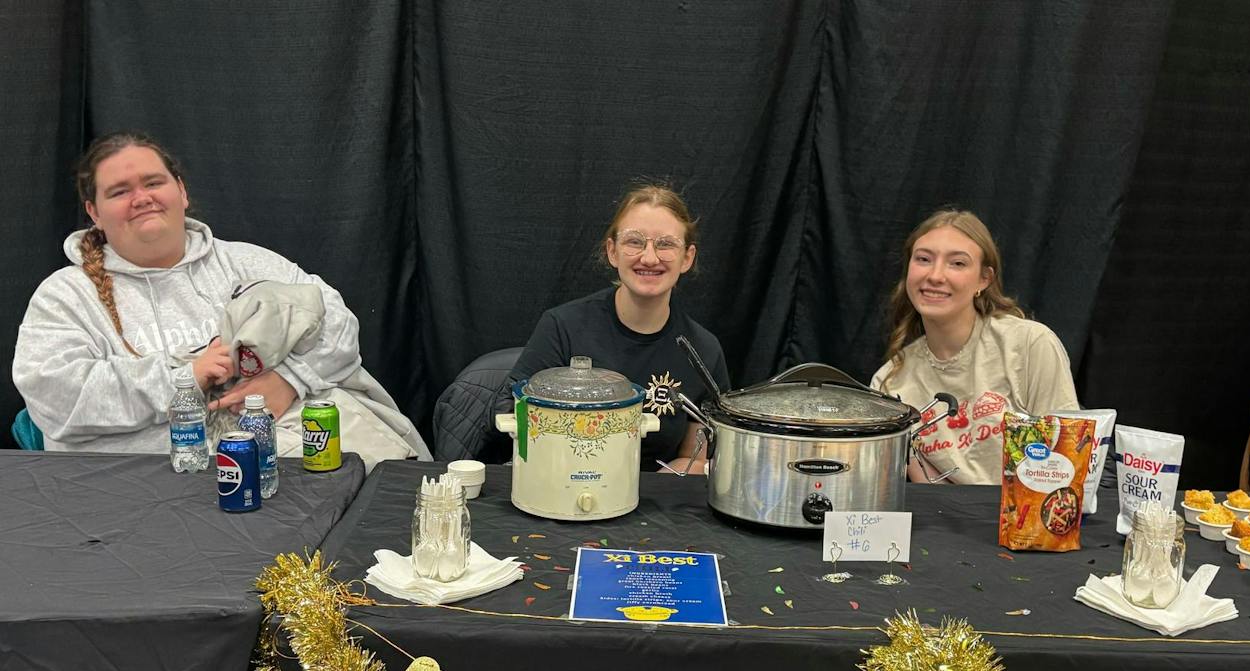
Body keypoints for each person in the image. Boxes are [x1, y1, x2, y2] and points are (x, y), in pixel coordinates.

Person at [13, 131, 426, 464]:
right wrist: (188, 376)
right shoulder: (65, 296)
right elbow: (55, 397)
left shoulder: (247, 262)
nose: (141, 198)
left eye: (154, 183)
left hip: (288, 468)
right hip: (144, 492)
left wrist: (289, 380)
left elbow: (337, 324)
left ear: (181, 191)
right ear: (94, 213)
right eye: (119, 191)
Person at [498, 184, 729, 474]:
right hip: (562, 482)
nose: (649, 258)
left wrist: (651, 486)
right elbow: (516, 415)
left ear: (687, 258)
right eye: (634, 242)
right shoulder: (562, 327)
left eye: (666, 244)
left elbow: (694, 458)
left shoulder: (703, 351)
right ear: (612, 251)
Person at [870, 208, 1078, 485]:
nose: (935, 275)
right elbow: (933, 491)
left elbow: (1066, 459)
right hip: (944, 511)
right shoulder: (888, 383)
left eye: (957, 263)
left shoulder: (1030, 345)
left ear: (984, 279)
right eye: (923, 259)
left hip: (1027, 509)